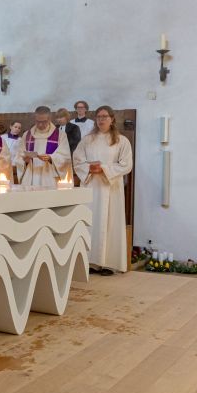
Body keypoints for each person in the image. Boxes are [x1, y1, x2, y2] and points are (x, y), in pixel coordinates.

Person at [73, 106, 133, 276]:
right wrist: (89, 168)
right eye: (98, 117)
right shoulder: (87, 140)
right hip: (91, 186)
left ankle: (108, 263)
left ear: (112, 119)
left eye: (105, 117)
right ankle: (91, 261)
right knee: (91, 222)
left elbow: (126, 164)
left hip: (110, 187)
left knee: (110, 223)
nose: (101, 120)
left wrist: (104, 169)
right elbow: (77, 160)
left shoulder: (121, 141)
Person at [14, 106, 71, 186]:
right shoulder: (27, 135)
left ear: (49, 119)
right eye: (38, 121)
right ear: (35, 119)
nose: (40, 125)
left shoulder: (60, 135)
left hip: (50, 176)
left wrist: (51, 158)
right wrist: (25, 160)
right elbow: (19, 156)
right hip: (31, 176)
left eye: (44, 121)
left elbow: (65, 157)